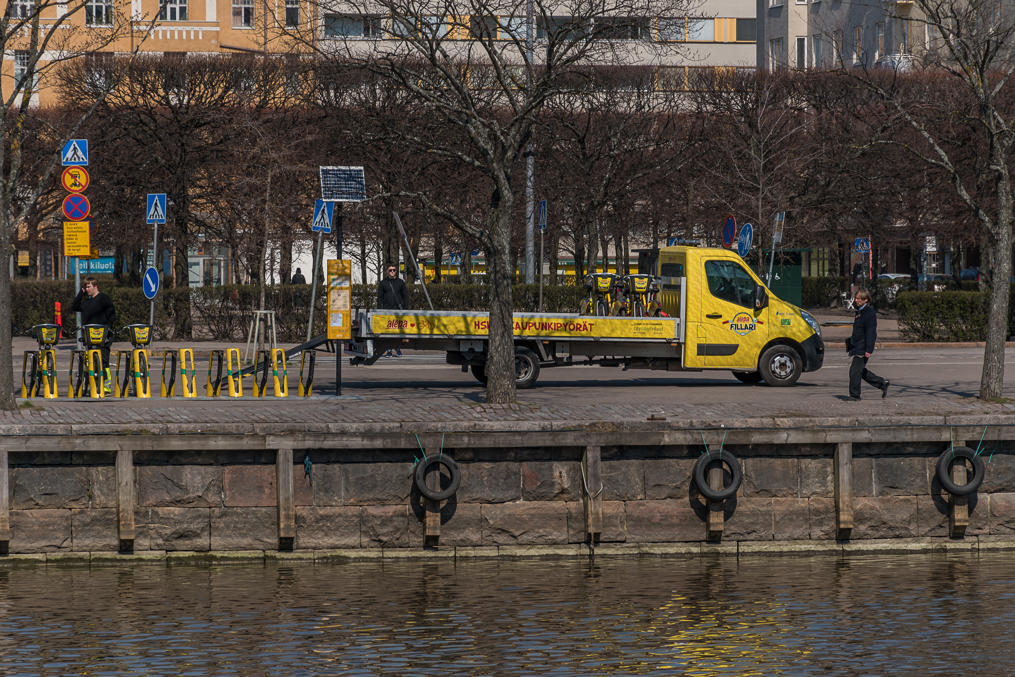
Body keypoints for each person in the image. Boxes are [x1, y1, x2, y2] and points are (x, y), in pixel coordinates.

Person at [71, 276, 116, 393]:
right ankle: (92, 384)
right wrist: (81, 293)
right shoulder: (87, 302)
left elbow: (111, 314)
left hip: (103, 334)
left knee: (104, 360)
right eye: (85, 287)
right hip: (90, 335)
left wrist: (108, 328)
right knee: (91, 360)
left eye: (89, 286)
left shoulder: (104, 299)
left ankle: (106, 386)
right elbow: (74, 306)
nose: (87, 289)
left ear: (96, 286)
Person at [846, 288, 889, 401]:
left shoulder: (869, 313)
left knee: (854, 371)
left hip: (863, 347)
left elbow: (871, 333)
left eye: (859, 298)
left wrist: (869, 349)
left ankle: (855, 396)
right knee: (859, 370)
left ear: (865, 300)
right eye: (856, 298)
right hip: (857, 346)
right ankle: (882, 383)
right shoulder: (859, 311)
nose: (856, 300)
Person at [377, 263, 408, 357]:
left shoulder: (401, 282)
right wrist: (379, 310)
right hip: (387, 311)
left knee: (398, 331)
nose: (392, 272)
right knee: (388, 331)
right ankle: (389, 350)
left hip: (399, 311)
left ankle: (397, 348)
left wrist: (406, 309)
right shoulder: (383, 283)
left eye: (394, 270)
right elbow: (380, 298)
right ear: (387, 271)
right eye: (390, 270)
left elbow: (405, 296)